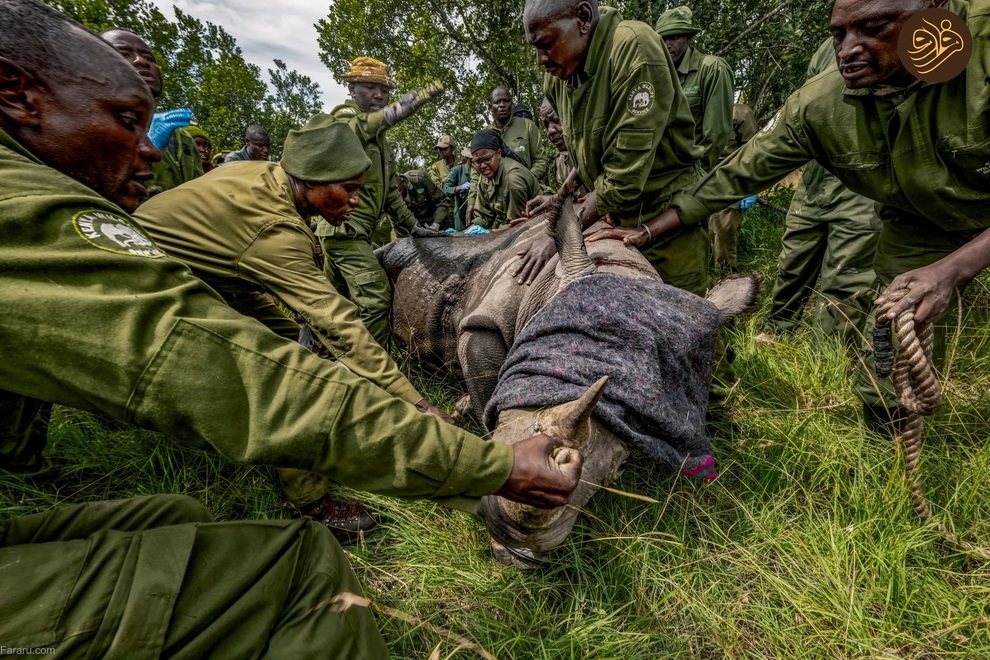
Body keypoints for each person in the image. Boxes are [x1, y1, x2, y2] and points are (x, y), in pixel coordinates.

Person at [0, 1, 581, 653]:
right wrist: (441, 429)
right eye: (127, 121)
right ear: (17, 95)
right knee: (294, 465)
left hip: (207, 277)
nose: (147, 150)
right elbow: (295, 352)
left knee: (183, 509)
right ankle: (309, 499)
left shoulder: (267, 188)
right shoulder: (268, 234)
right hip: (174, 282)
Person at [590, 0, 990, 430]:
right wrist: (649, 230)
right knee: (895, 339)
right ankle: (887, 446)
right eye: (839, 35)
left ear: (935, 8)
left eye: (873, 28)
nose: (848, 50)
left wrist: (952, 270)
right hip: (919, 221)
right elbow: (736, 175)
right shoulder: (819, 104)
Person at [135, 114, 455, 539]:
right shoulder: (277, 230)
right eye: (350, 189)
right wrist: (416, 404)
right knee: (291, 378)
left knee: (298, 345)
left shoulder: (268, 176)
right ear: (313, 180)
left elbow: (232, 262)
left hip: (199, 276)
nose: (356, 201)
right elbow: (337, 322)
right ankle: (308, 502)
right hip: (148, 291)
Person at [521, 0, 709, 296]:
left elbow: (624, 174)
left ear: (582, 18)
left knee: (684, 324)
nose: (541, 60)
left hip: (667, 219)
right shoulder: (560, 77)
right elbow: (586, 151)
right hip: (614, 219)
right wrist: (559, 200)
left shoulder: (634, 47)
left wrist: (558, 235)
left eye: (545, 44)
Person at [316, 57, 446, 347]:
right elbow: (356, 129)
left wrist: (415, 228)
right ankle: (375, 373)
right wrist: (395, 112)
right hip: (345, 232)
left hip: (349, 234)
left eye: (384, 91)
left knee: (333, 303)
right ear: (352, 89)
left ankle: (325, 351)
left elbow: (389, 194)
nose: (378, 95)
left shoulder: (380, 141)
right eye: (369, 87)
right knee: (375, 298)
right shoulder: (342, 119)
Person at [766, 40, 881, 341]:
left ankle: (828, 355)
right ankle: (779, 329)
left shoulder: (890, 37)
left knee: (845, 276)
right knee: (793, 260)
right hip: (817, 180)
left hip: (863, 182)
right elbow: (808, 107)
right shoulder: (824, 50)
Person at [102, 28, 203, 195]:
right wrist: (146, 151)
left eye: (149, 57)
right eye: (124, 54)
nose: (141, 61)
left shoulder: (184, 139)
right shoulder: (91, 131)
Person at [653, 7, 733, 172]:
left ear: (688, 38)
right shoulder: (658, 76)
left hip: (696, 174)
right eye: (663, 39)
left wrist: (696, 176)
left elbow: (715, 136)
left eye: (675, 37)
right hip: (665, 175)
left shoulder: (712, 69)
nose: (668, 44)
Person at [466, 86, 548, 224]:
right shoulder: (484, 135)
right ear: (490, 106)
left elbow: (541, 160)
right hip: (498, 197)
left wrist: (526, 180)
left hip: (527, 191)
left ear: (512, 103)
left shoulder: (527, 126)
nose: (502, 105)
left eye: (506, 101)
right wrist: (472, 201)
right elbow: (477, 173)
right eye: (497, 102)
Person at [706, 102, 758, 270]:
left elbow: (753, 151)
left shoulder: (740, 113)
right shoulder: (701, 110)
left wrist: (750, 188)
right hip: (700, 185)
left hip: (729, 186)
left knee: (723, 239)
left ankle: (727, 280)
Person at [468, 129, 540, 230]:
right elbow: (483, 216)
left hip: (535, 224)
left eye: (487, 159)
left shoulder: (513, 180)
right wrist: (471, 228)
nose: (483, 165)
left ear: (499, 153)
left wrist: (494, 230)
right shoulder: (485, 176)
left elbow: (516, 224)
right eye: (478, 161)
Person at [540, 98, 588, 198]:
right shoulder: (559, 158)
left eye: (557, 121)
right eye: (546, 126)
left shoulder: (595, 150)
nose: (550, 131)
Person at [442, 147, 473, 231]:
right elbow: (445, 189)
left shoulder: (483, 170)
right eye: (472, 159)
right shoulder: (457, 170)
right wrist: (460, 188)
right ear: (467, 158)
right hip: (461, 214)